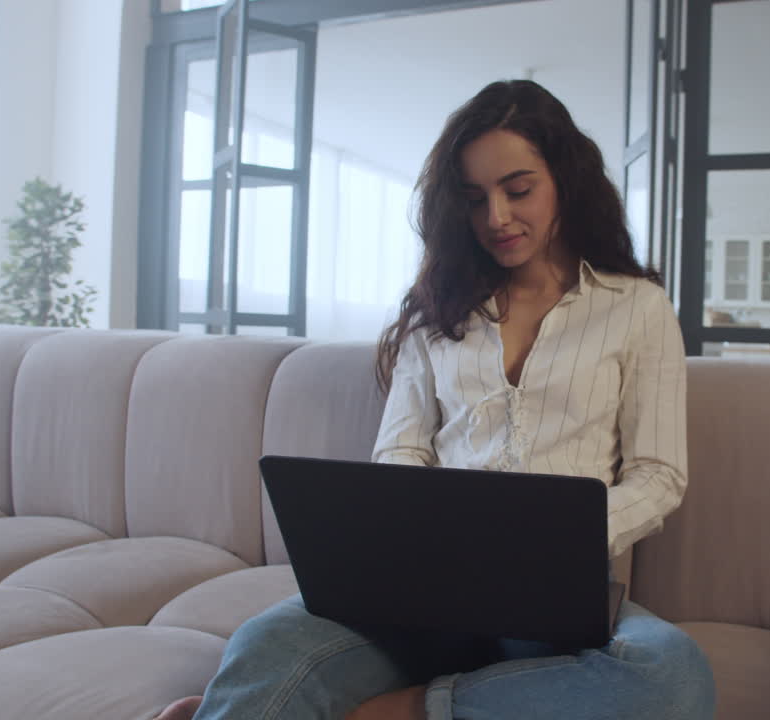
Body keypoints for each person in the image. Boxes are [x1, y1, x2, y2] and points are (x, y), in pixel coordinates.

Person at [155, 79, 716, 720]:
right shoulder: (437, 313)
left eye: (518, 189)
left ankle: (392, 711)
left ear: (565, 176)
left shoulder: (636, 307)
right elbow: (401, 450)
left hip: (554, 600)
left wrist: (556, 542)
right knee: (265, 641)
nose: (497, 218)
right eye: (475, 200)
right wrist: (413, 540)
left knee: (671, 676)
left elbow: (658, 475)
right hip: (422, 593)